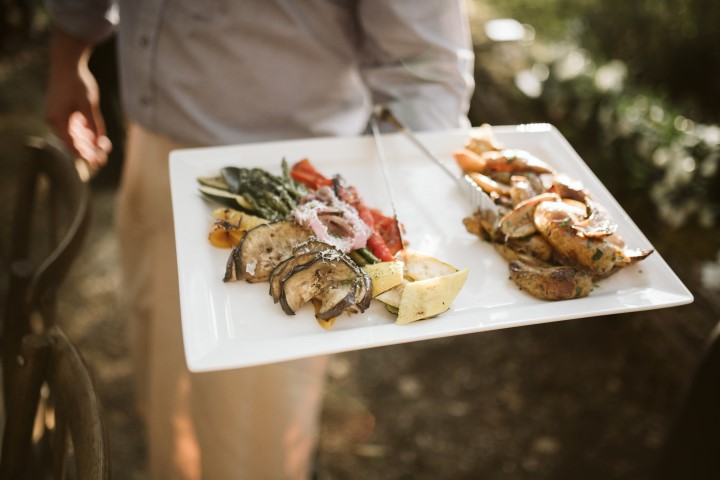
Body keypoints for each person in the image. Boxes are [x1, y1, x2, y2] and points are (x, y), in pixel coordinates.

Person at [45, 1, 475, 478]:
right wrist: (69, 57)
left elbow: (425, 65)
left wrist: (401, 219)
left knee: (251, 437)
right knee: (159, 376)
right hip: (150, 149)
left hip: (289, 180)